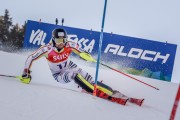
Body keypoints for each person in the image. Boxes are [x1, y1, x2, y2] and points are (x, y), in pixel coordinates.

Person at [20, 28, 144, 106]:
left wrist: (86, 56)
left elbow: (81, 52)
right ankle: (95, 92)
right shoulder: (47, 49)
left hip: (71, 66)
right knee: (75, 76)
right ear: (53, 40)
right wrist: (26, 72)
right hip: (59, 74)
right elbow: (31, 57)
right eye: (58, 41)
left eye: (63, 40)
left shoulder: (69, 45)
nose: (61, 44)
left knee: (91, 80)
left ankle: (116, 93)